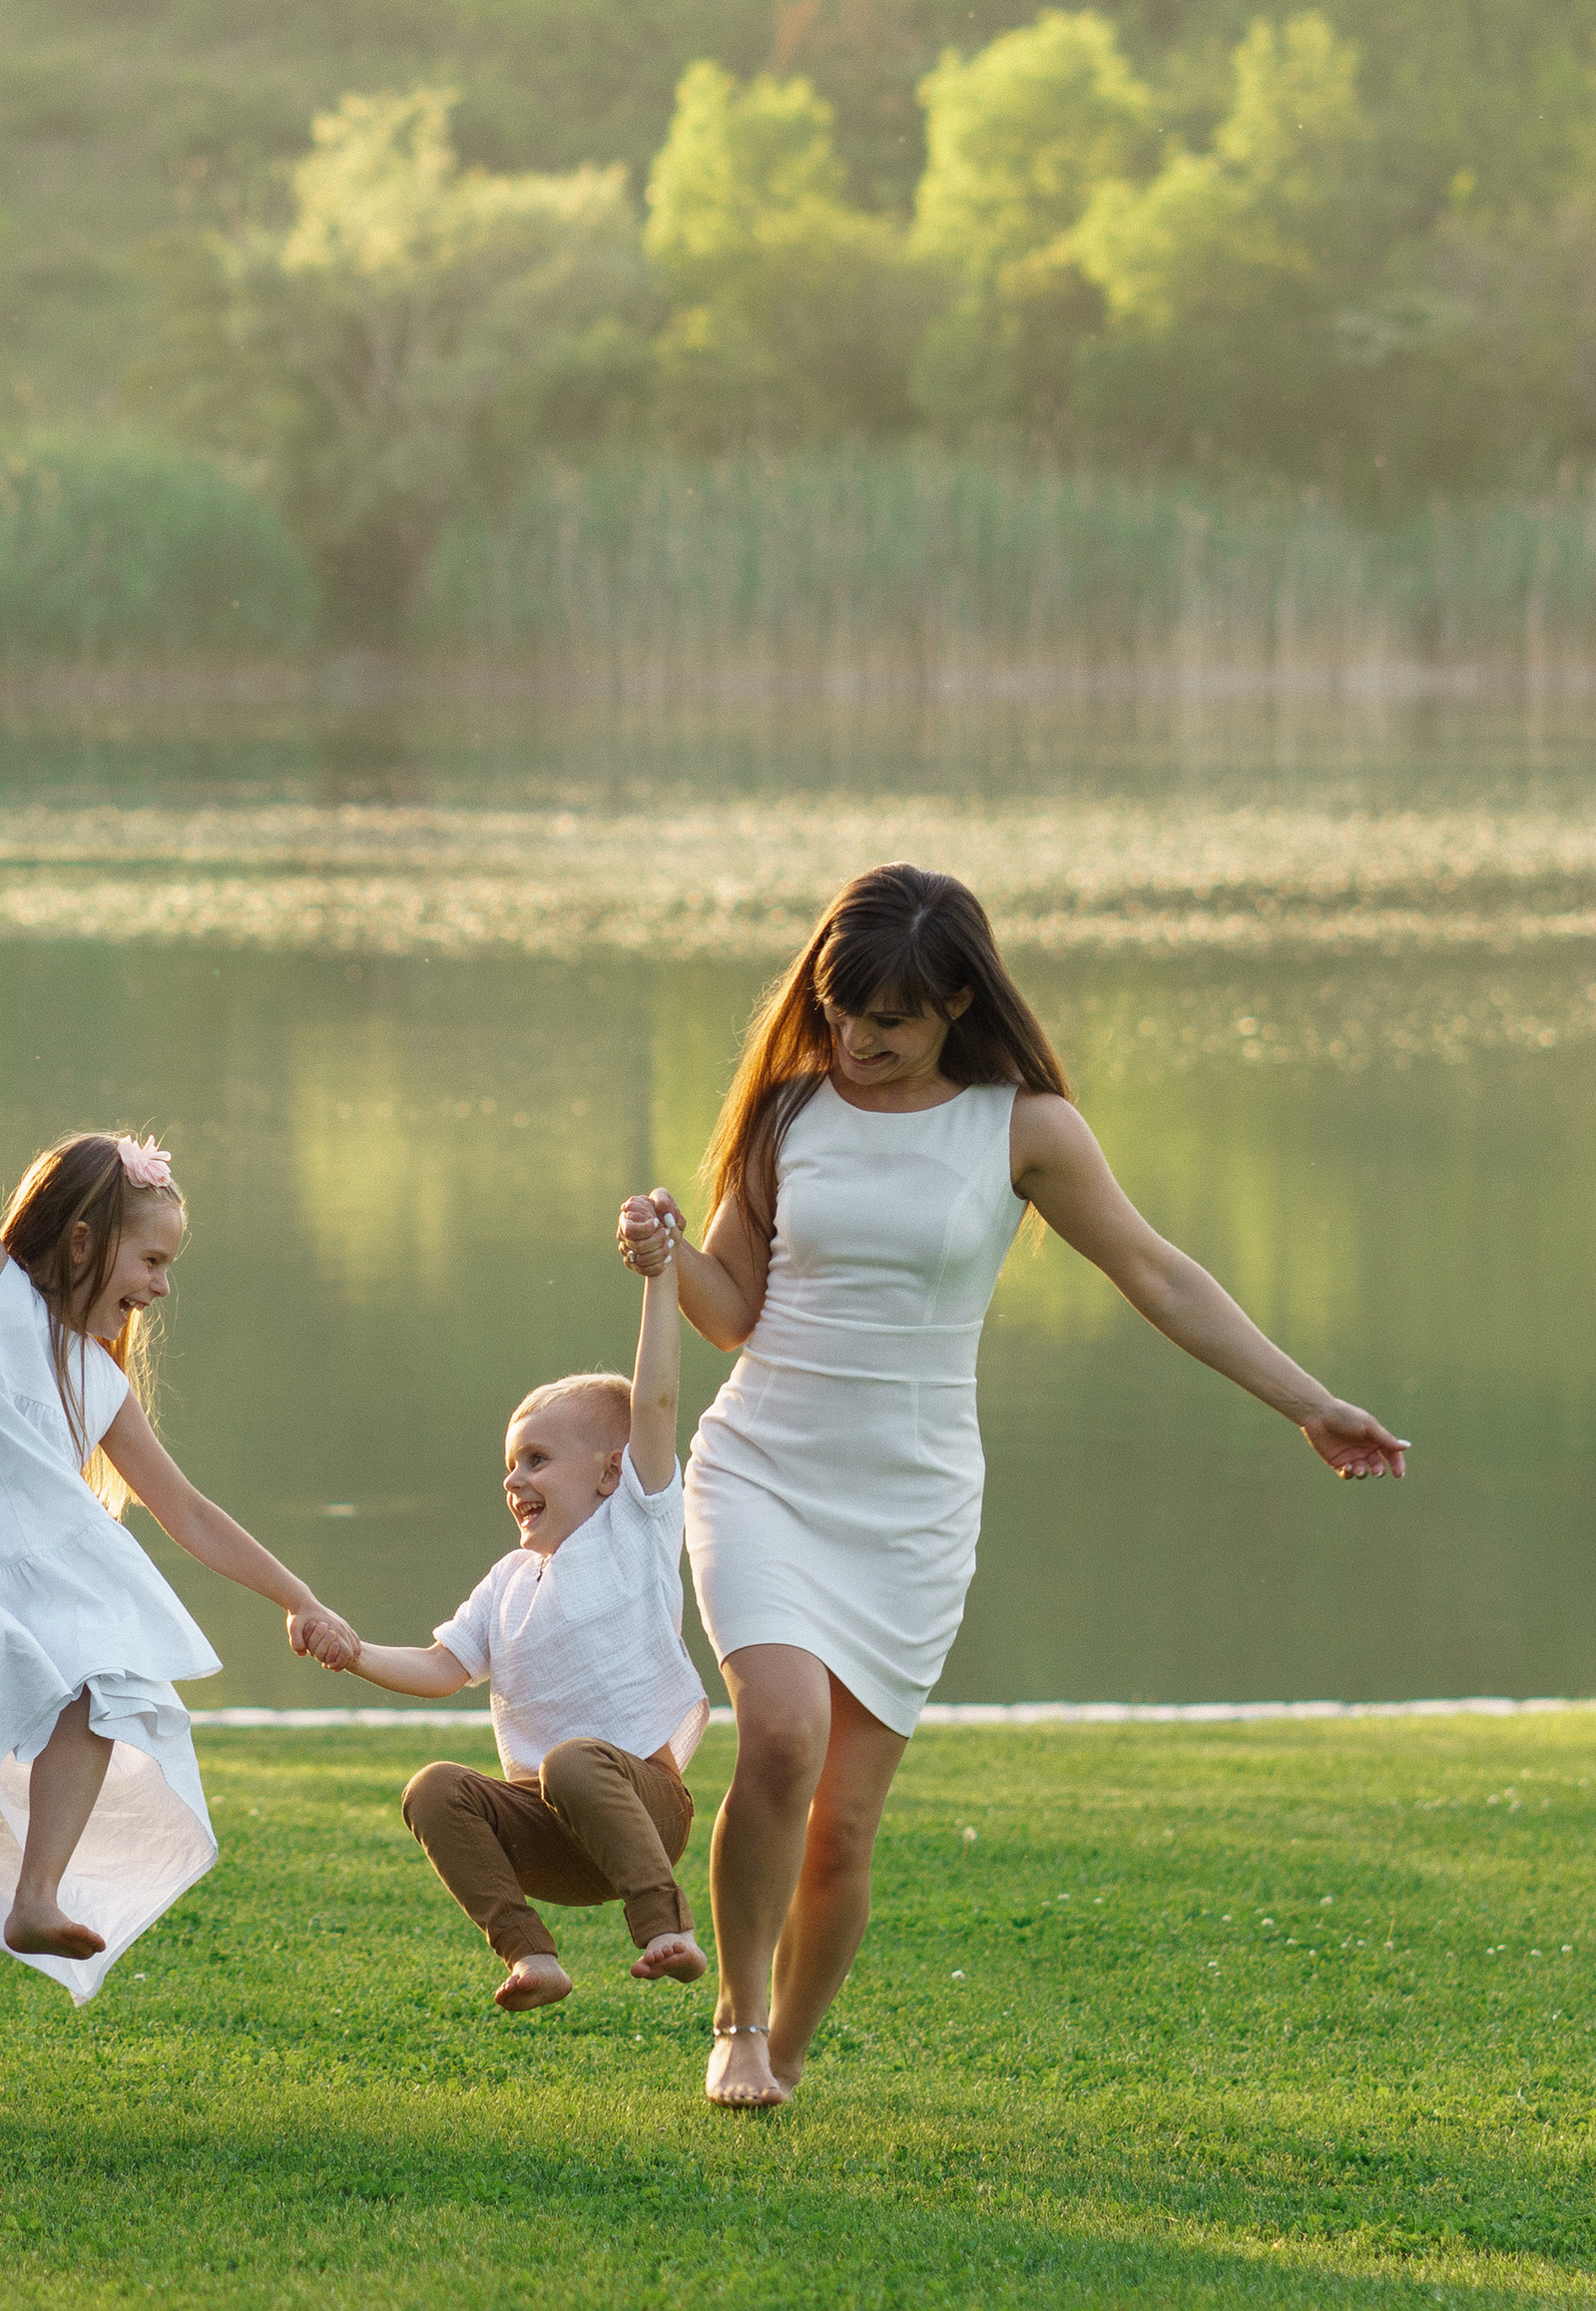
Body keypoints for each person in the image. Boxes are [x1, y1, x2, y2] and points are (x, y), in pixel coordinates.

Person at [616, 861, 1408, 2114]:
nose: (858, 1039)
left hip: (913, 1504)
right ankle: (736, 2021)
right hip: (763, 1466)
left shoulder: (1023, 1128)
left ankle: (790, 2054)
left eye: (892, 1017)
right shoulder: (785, 1116)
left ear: (956, 1007)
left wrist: (1307, 1401)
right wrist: (664, 1257)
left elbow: (1155, 1273)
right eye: (840, 1008)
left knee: (846, 1827)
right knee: (777, 1735)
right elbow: (732, 1312)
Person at [0, 924, 355, 2001]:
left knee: (106, 1684)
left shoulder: (99, 1382)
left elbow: (189, 1513)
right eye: (151, 1260)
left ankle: (39, 1893)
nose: (161, 1287)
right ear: (82, 1242)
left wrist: (297, 1596)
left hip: (10, 1602)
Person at [319, 1224, 712, 2015]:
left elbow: (659, 1397)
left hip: (640, 1808)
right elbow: (441, 1668)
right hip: (548, 1835)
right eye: (510, 1462)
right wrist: (352, 1650)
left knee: (571, 1759)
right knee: (435, 1788)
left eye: (536, 1458)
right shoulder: (506, 1582)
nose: (514, 1476)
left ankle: (665, 1928)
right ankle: (531, 1956)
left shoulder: (633, 1522)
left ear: (611, 1470)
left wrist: (660, 1277)